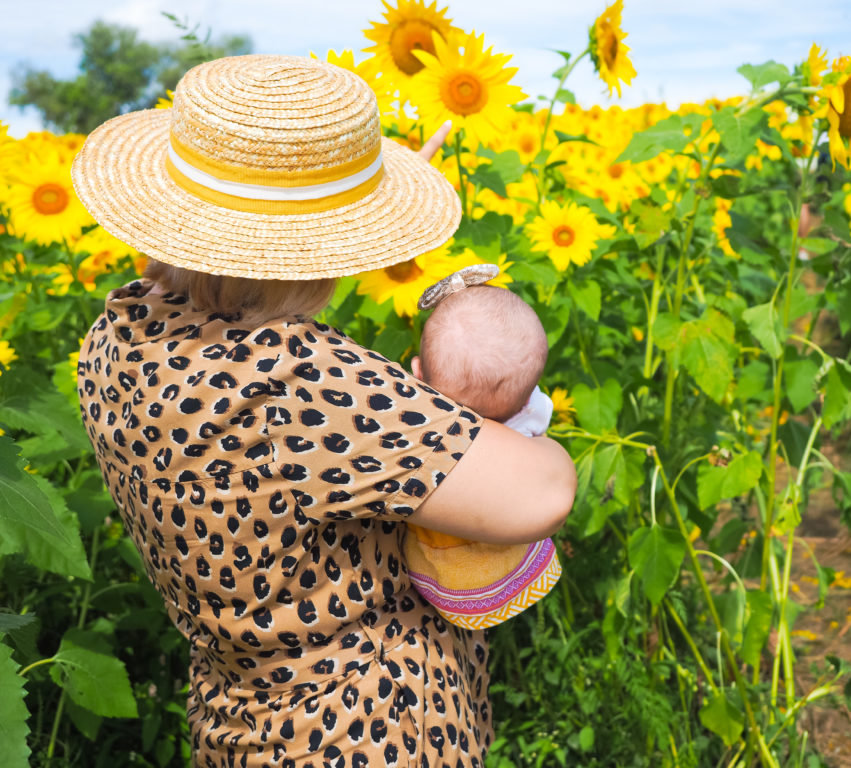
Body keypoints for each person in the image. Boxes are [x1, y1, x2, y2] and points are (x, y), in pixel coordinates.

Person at [71, 54, 576, 768]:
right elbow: (541, 492)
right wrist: (536, 433)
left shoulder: (116, 341)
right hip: (369, 727)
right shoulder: (295, 383)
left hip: (236, 719)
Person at [402, 269, 562, 629]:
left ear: (417, 373)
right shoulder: (529, 416)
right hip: (512, 566)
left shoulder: (419, 429)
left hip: (439, 578)